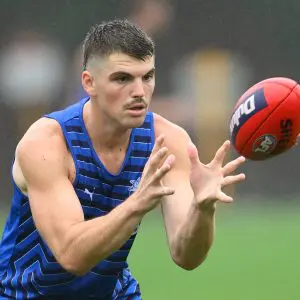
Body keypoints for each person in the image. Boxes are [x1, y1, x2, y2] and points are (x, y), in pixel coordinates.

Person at [0, 19, 246, 299]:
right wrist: (137, 204)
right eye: (122, 79)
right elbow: (71, 255)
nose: (140, 92)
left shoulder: (167, 141)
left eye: (147, 76)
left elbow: (185, 255)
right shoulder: (47, 143)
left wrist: (202, 209)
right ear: (89, 83)